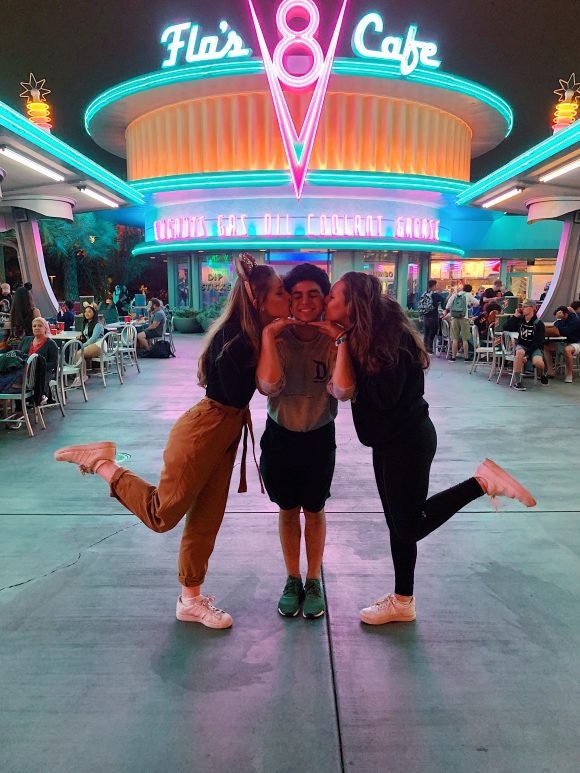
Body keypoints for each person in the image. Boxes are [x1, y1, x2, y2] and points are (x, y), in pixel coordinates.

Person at [54, 255, 290, 629]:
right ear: (257, 299)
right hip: (205, 429)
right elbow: (260, 387)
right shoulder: (238, 339)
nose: (287, 298)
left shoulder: (245, 333)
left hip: (224, 430)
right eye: (279, 292)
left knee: (206, 518)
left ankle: (190, 600)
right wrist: (269, 336)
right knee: (162, 514)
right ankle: (101, 462)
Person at [323, 272, 536, 625]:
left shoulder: (385, 341)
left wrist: (344, 349)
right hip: (389, 442)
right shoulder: (369, 335)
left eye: (333, 296)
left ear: (353, 304)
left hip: (407, 442)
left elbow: (379, 398)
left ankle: (482, 482)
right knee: (398, 525)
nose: (326, 302)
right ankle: (402, 601)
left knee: (408, 527)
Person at [257, 264, 355, 620]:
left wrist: (341, 341)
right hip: (280, 436)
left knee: (314, 508)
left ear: (325, 298)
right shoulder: (277, 339)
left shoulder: (335, 340)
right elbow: (268, 387)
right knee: (287, 509)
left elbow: (343, 391)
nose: (305, 302)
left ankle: (313, 579)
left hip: (319, 436)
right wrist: (268, 337)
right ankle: (292, 578)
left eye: (314, 294)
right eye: (296, 295)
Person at [504, 300, 548, 391]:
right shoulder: (520, 320)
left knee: (538, 363)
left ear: (533, 308)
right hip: (522, 344)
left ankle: (542, 373)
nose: (523, 309)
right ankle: (518, 381)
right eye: (522, 306)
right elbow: (506, 327)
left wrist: (527, 355)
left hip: (534, 347)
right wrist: (515, 317)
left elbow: (538, 342)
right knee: (519, 353)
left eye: (525, 307)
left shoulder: (539, 323)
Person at [20, 317, 58, 401]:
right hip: (24, 369)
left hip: (43, 371)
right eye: (34, 326)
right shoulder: (26, 340)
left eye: (40, 326)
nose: (36, 328)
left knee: (38, 377)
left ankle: (40, 397)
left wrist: (38, 366)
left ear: (45, 328)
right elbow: (19, 355)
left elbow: (54, 363)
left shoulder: (51, 344)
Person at [545, 305, 580, 383]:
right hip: (564, 342)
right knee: (546, 347)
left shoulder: (575, 321)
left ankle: (569, 375)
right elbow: (556, 328)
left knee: (567, 350)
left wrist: (558, 320)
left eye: (561, 317)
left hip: (577, 342)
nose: (560, 319)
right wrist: (559, 321)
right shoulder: (561, 320)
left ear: (566, 314)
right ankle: (550, 371)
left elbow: (565, 331)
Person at [445, 283, 478, 361]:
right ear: (470, 290)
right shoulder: (468, 295)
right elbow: (477, 303)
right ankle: (466, 357)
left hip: (454, 318)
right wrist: (470, 305)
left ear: (463, 288)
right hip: (464, 318)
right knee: (465, 339)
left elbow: (447, 306)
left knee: (454, 338)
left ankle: (453, 357)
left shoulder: (455, 295)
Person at [418, 279, 445, 353]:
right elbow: (444, 302)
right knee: (432, 334)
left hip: (426, 317)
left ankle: (424, 348)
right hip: (433, 317)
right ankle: (429, 349)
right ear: (433, 286)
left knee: (426, 334)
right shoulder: (435, 295)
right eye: (436, 285)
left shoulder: (424, 294)